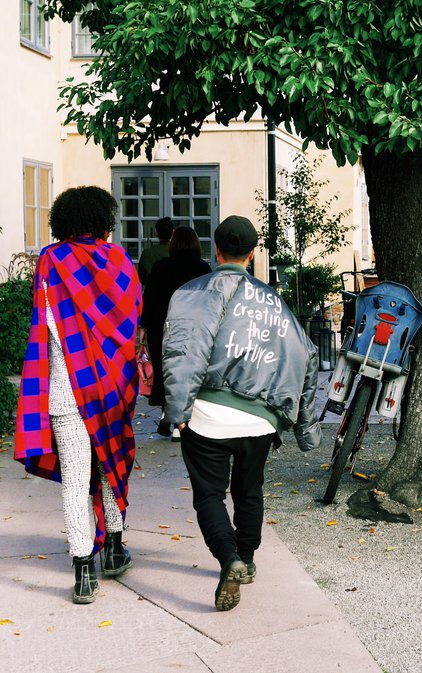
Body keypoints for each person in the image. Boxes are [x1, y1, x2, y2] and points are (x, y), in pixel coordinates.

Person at [163, 215, 321, 612]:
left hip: (208, 414)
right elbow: (308, 356)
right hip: (260, 420)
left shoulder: (194, 293)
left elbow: (187, 348)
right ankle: (247, 560)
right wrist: (305, 428)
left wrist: (177, 410)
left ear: (216, 250)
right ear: (253, 255)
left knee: (209, 496)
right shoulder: (276, 303)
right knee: (249, 492)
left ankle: (228, 557)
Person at [14, 186, 142, 604]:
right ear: (104, 220)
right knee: (111, 463)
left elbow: (46, 322)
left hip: (66, 386)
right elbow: (132, 320)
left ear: (62, 221)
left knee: (74, 478)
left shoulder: (52, 260)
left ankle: (83, 570)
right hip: (110, 387)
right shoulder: (120, 261)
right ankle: (116, 548)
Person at [139, 227, 211, 440]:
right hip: (193, 327)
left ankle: (166, 412)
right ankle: (183, 418)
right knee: (191, 370)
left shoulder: (161, 267)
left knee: (164, 370)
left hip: (161, 325)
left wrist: (144, 326)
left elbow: (149, 298)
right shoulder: (202, 267)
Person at [137, 216, 173, 284]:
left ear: (156, 233)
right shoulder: (178, 251)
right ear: (172, 232)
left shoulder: (147, 253)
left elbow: (142, 278)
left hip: (153, 290)